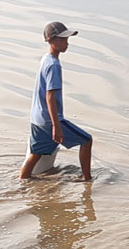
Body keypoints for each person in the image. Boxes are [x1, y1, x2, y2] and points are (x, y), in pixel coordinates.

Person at [19, 21, 93, 181]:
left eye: (67, 39)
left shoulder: (46, 59)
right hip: (49, 120)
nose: (66, 43)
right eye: (62, 39)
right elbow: (50, 97)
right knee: (87, 140)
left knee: (36, 153)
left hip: (37, 118)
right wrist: (56, 126)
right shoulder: (54, 65)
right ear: (50, 40)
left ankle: (23, 179)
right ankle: (86, 178)